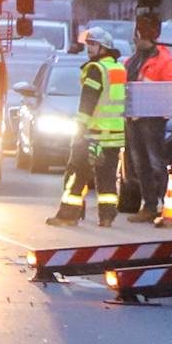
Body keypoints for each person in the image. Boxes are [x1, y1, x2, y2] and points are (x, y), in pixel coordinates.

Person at [45, 27, 127, 226]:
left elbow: (88, 102)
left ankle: (67, 215)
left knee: (76, 174)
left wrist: (80, 130)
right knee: (107, 178)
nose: (89, 48)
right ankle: (107, 217)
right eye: (88, 44)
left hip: (94, 134)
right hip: (114, 135)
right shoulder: (118, 68)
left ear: (103, 47)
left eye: (93, 44)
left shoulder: (96, 69)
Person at [121, 10, 172, 224]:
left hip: (152, 120)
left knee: (156, 163)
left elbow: (171, 89)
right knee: (140, 164)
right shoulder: (133, 61)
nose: (134, 37)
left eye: (137, 32)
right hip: (134, 118)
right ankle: (149, 205)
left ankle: (165, 205)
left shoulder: (163, 61)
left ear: (144, 34)